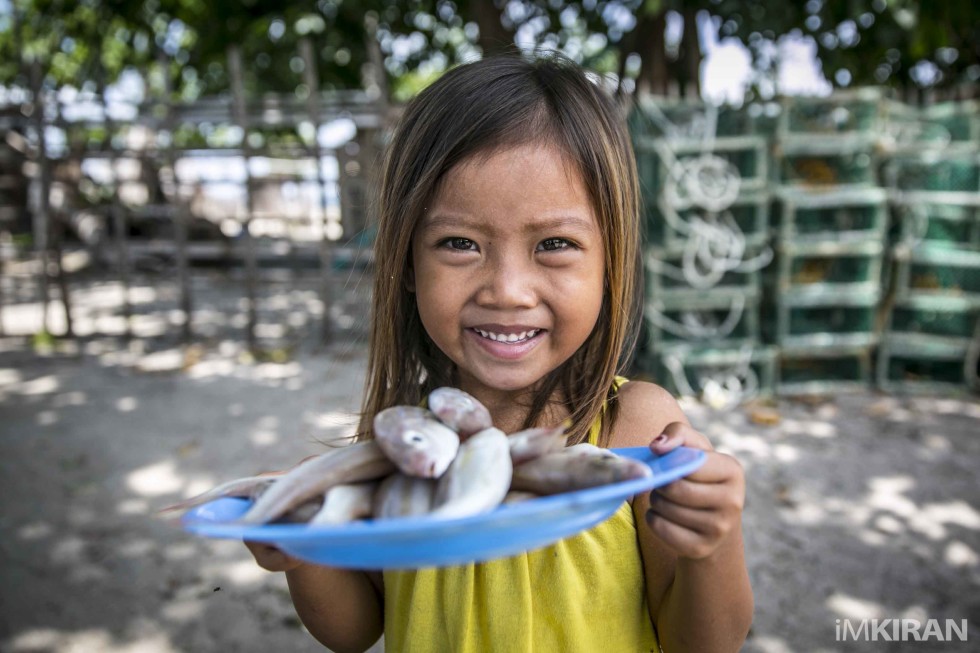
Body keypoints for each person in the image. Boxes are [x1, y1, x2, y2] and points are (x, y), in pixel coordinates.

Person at [246, 52, 753, 653]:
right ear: (408, 260)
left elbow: (704, 644)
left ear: (610, 260)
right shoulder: (406, 446)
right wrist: (305, 546)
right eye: (459, 243)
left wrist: (711, 545)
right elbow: (356, 630)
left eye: (555, 244)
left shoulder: (634, 432)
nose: (507, 291)